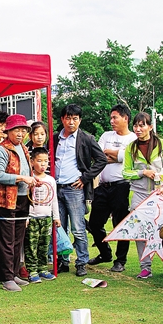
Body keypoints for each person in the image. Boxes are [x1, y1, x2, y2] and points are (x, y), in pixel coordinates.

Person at [53, 104, 107, 277]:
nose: (71, 122)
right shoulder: (55, 138)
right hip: (56, 187)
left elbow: (101, 159)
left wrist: (85, 178)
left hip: (74, 188)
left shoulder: (86, 138)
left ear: (80, 120)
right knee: (60, 227)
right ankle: (63, 261)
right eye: (68, 118)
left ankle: (82, 262)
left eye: (75, 119)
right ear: (62, 119)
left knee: (78, 228)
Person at [122, 111, 163, 279]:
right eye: (135, 126)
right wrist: (142, 172)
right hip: (138, 194)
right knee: (140, 231)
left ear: (150, 127)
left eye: (142, 125)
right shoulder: (131, 147)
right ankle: (145, 267)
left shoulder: (162, 144)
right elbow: (125, 172)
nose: (138, 129)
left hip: (160, 193)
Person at [0, 114, 37, 291]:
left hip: (23, 198)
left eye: (23, 130)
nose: (20, 133)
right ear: (8, 131)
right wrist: (22, 178)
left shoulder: (23, 148)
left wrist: (32, 180)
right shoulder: (2, 149)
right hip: (5, 201)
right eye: (16, 130)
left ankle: (15, 273)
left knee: (18, 239)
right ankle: (6, 277)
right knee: (6, 240)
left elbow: (26, 172)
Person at [88, 104, 136, 271]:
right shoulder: (106, 135)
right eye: (111, 118)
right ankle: (105, 253)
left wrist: (113, 155)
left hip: (122, 186)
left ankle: (120, 260)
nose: (112, 121)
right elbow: (98, 156)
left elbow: (129, 158)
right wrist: (117, 156)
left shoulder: (133, 139)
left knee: (120, 224)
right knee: (94, 223)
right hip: (103, 186)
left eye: (115, 117)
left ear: (125, 118)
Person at [24, 147, 60, 282]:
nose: (43, 164)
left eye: (46, 161)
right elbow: (26, 200)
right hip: (33, 217)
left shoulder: (51, 180)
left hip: (47, 218)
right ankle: (32, 270)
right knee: (31, 245)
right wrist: (26, 217)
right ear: (32, 162)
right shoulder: (29, 179)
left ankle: (43, 268)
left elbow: (54, 199)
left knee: (44, 244)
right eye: (39, 161)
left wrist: (56, 217)